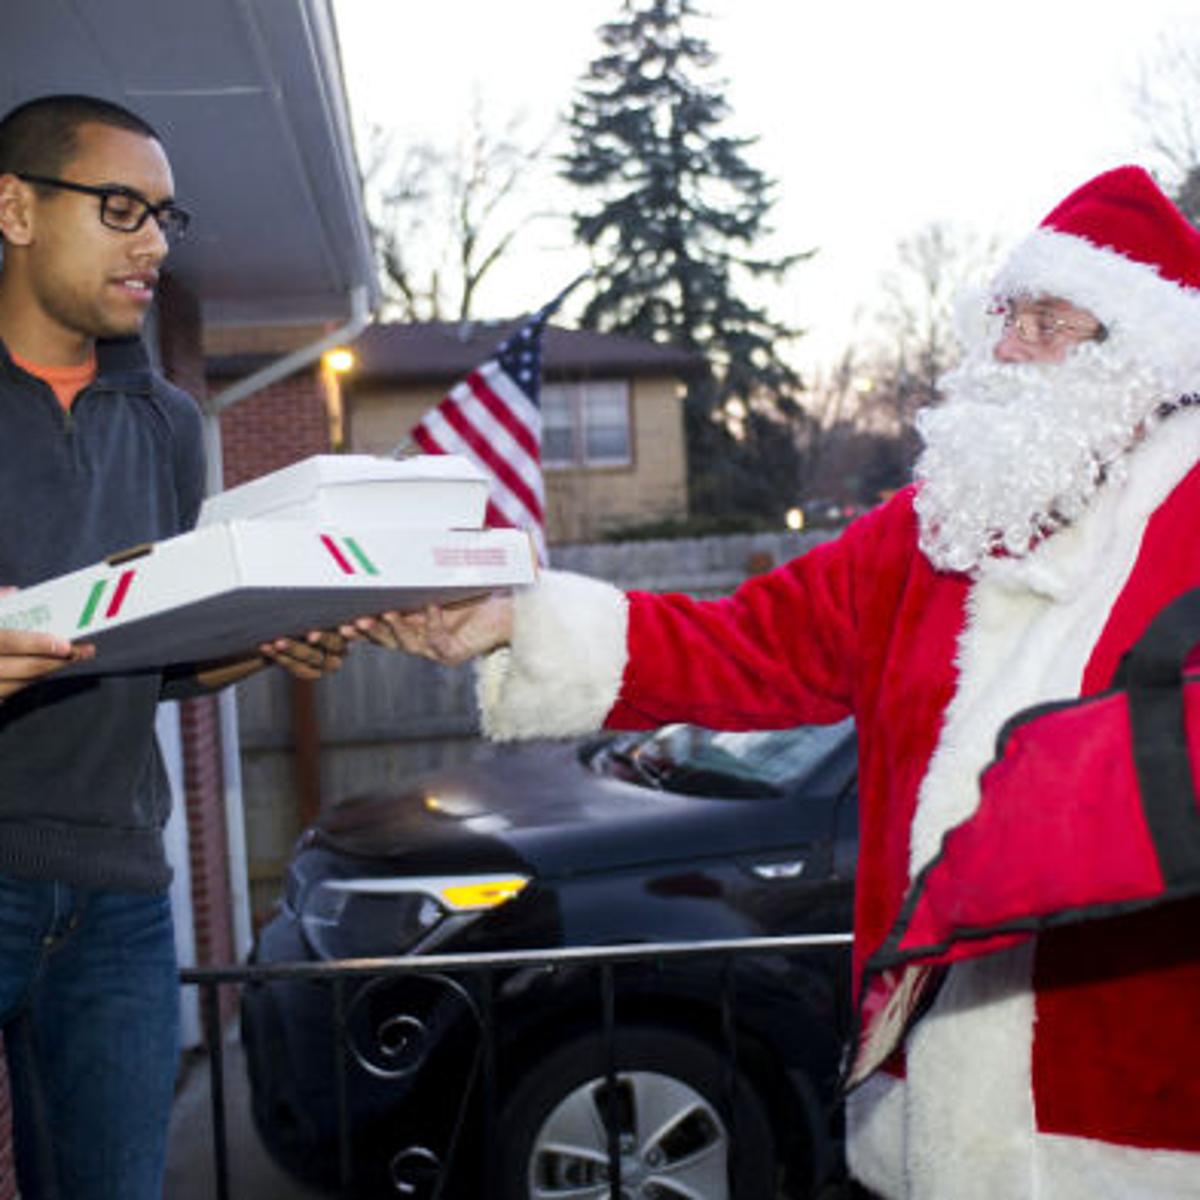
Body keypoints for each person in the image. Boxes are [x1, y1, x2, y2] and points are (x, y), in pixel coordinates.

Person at [358, 165, 1200, 1198]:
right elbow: (743, 643)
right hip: (925, 1116)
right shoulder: (931, 533)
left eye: (1053, 320)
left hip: (1136, 1127)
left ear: (1144, 356)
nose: (1012, 344)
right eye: (1006, 315)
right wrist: (511, 618)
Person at [0, 94, 349, 1200]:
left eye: (163, 216)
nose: (152, 242)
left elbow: (157, 652)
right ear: (13, 207)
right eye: (119, 208)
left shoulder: (166, 421)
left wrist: (268, 635)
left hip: (117, 899)